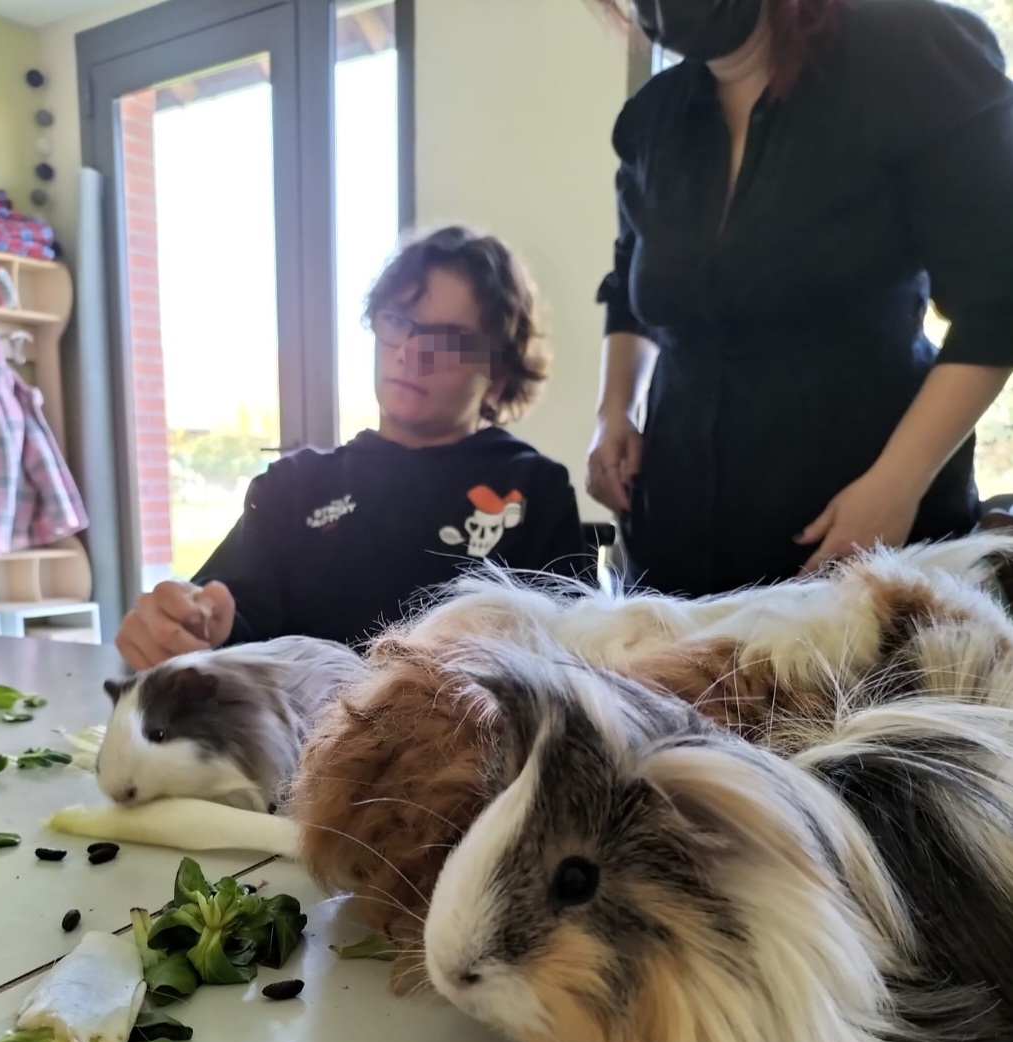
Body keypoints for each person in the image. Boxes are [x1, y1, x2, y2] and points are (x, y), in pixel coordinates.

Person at [587, 0, 1013, 598]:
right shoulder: (652, 120)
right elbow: (630, 283)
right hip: (672, 560)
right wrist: (614, 411)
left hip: (863, 553)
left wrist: (897, 485)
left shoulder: (911, 58)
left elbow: (996, 304)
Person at [116, 226, 585, 670]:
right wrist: (182, 627)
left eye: (447, 339)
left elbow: (573, 667)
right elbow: (230, 622)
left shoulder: (535, 490)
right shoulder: (293, 487)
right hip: (300, 728)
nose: (411, 352)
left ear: (497, 376)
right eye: (398, 321)